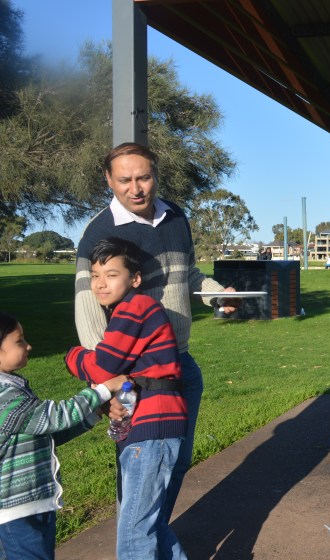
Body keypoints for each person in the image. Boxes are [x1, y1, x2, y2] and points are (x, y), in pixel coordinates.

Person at [74, 142, 237, 524]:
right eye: (124, 180)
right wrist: (108, 385)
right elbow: (87, 306)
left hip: (181, 364)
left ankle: (154, 538)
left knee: (177, 462)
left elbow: (188, 274)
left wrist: (217, 294)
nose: (135, 188)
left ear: (156, 175)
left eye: (143, 177)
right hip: (133, 376)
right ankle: (137, 543)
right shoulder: (99, 231)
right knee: (137, 474)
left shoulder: (176, 217)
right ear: (108, 180)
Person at [67, 237, 188, 558]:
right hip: (150, 426)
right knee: (147, 522)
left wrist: (72, 356)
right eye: (95, 275)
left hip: (152, 427)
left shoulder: (136, 308)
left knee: (134, 530)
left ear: (135, 279)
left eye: (111, 274)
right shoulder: (129, 310)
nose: (100, 283)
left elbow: (104, 366)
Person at [0, 312, 127, 559]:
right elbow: (56, 416)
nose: (28, 345)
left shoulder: (13, 387)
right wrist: (103, 390)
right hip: (15, 512)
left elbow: (47, 434)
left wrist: (94, 414)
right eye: (19, 341)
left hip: (31, 504)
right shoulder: (4, 397)